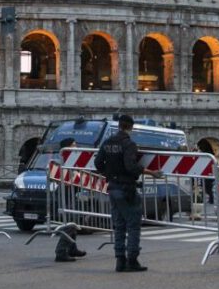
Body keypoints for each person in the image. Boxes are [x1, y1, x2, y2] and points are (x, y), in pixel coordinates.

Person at [94, 114, 162, 272]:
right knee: (133, 225)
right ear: (130, 127)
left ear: (119, 125)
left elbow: (97, 163)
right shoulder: (129, 144)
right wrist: (151, 172)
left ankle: (119, 260)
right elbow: (131, 166)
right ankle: (132, 260)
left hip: (113, 187)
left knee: (118, 226)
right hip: (127, 188)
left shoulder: (107, 142)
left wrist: (109, 174)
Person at [53, 138, 87, 263]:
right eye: (73, 145)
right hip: (64, 193)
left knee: (73, 220)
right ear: (66, 148)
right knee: (69, 222)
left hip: (71, 193)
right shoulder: (60, 161)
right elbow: (61, 180)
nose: (76, 148)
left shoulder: (73, 161)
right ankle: (60, 252)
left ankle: (72, 248)